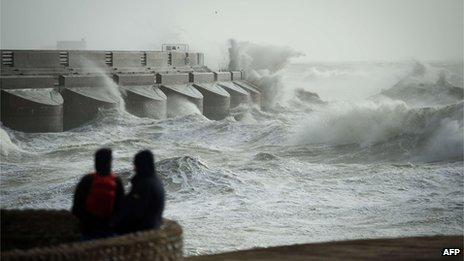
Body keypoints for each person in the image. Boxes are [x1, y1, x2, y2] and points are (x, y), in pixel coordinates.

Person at [71, 148, 125, 240]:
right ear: (110, 162)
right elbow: (121, 208)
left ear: (95, 162)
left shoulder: (87, 180)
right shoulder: (117, 181)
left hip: (88, 230)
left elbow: (76, 208)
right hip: (109, 230)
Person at [117, 150, 165, 234]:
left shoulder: (145, 184)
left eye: (136, 165)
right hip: (154, 224)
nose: (134, 168)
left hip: (145, 228)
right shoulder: (155, 180)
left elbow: (136, 212)